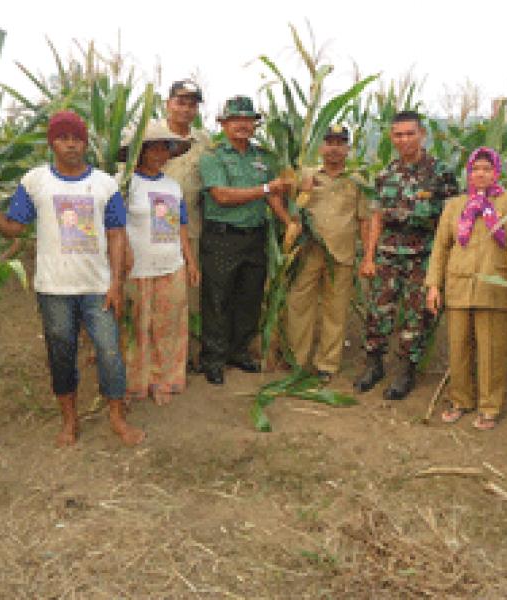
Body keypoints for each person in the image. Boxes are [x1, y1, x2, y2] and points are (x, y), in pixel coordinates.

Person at [0, 110, 144, 447]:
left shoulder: (105, 184)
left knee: (110, 352)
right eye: (63, 138)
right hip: (54, 288)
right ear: (52, 142)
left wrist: (115, 284)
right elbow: (14, 227)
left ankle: (117, 417)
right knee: (61, 354)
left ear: (85, 143)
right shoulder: (35, 181)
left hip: (97, 287)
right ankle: (69, 421)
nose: (71, 144)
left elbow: (116, 235)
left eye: (77, 138)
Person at [355, 110, 458, 400]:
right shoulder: (386, 174)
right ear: (392, 138)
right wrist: (369, 257)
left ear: (422, 134)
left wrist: (443, 263)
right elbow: (377, 217)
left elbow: (449, 220)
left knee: (416, 317)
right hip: (388, 255)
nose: (404, 140)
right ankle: (373, 366)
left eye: (410, 133)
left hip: (422, 257)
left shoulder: (441, 173)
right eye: (398, 135)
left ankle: (406, 372)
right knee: (378, 313)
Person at [425, 147, 507, 430]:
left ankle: (489, 406)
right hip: (459, 285)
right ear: (469, 173)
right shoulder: (455, 205)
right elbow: (441, 247)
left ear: (496, 171)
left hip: (495, 285)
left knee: (492, 350)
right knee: (458, 348)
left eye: (486, 168)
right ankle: (460, 400)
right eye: (475, 169)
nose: (480, 174)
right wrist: (434, 285)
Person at [198, 95, 297, 385]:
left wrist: (289, 222)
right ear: (225, 124)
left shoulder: (262, 158)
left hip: (254, 237)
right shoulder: (213, 157)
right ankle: (213, 359)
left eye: (248, 120)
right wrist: (267, 187)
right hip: (222, 239)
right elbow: (222, 196)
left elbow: (273, 197)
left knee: (249, 298)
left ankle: (239, 352)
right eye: (235, 120)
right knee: (218, 299)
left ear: (255, 124)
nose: (242, 125)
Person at [122, 121, 200, 405]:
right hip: (138, 267)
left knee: (169, 326)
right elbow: (116, 228)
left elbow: (181, 226)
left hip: (172, 264)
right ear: (140, 152)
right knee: (138, 326)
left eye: (164, 147)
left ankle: (165, 380)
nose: (158, 153)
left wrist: (190, 262)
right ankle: (137, 382)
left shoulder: (172, 186)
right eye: (152, 147)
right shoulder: (126, 184)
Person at [285, 125, 370, 382]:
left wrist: (367, 256)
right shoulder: (305, 175)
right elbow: (286, 207)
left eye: (340, 143)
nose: (334, 148)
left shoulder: (358, 181)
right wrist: (302, 192)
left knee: (336, 310)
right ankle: (297, 360)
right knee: (299, 306)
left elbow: (365, 219)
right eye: (329, 142)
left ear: (347, 149)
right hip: (308, 252)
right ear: (321, 147)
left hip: (341, 255)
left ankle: (327, 365)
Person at [159, 79, 212, 372]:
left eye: (192, 104)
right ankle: (158, 358)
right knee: (158, 297)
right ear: (168, 103)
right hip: (152, 235)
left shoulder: (203, 143)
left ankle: (188, 357)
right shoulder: (147, 136)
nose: (186, 108)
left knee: (189, 297)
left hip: (191, 230)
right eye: (181, 101)